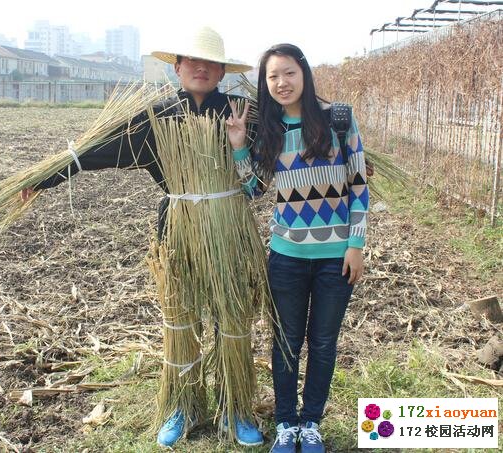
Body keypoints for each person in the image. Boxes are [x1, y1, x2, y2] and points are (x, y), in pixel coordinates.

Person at [20, 27, 263, 448]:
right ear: (178, 67)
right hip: (178, 225)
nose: (201, 68)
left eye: (210, 62)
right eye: (192, 60)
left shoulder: (244, 114)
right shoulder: (157, 116)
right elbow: (96, 150)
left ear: (223, 70)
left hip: (231, 225)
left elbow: (279, 160)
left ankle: (235, 406)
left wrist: (349, 162)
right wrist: (45, 178)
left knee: (232, 319)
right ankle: (182, 405)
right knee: (181, 317)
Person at [227, 43, 368, 453]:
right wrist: (239, 145)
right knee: (286, 341)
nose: (281, 83)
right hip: (286, 255)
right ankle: (287, 423)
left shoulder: (336, 120)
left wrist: (355, 243)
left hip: (334, 257)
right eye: (272, 76)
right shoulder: (270, 131)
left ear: (303, 74)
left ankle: (312, 424)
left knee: (323, 342)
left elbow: (358, 185)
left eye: (288, 72)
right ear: (265, 84)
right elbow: (254, 189)